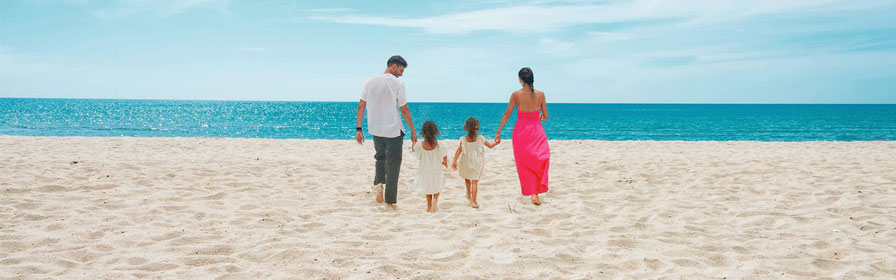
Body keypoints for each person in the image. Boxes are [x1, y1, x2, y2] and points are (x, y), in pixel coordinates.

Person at [355, 55, 418, 211]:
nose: (402, 74)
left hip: (375, 129)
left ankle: (379, 185)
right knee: (393, 164)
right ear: (394, 66)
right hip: (393, 131)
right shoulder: (398, 83)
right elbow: (404, 109)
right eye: (401, 70)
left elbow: (361, 105)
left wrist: (358, 129)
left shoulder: (370, 81)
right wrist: (413, 131)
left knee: (380, 158)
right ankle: (389, 201)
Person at [494, 67, 550, 206]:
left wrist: (498, 131)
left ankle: (533, 192)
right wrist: (539, 117)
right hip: (537, 130)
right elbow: (546, 116)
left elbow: (507, 115)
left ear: (520, 79)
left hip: (521, 132)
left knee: (525, 163)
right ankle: (535, 193)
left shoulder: (515, 95)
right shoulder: (541, 94)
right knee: (540, 159)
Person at [451, 117, 498, 209]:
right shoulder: (480, 138)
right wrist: (496, 142)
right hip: (477, 162)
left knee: (467, 178)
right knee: (475, 181)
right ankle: (473, 201)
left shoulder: (463, 139)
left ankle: (468, 193)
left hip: (465, 161)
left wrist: (454, 160)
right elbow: (490, 146)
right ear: (477, 128)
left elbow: (459, 150)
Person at [411, 121, 448, 213]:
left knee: (427, 187)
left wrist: (413, 144)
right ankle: (435, 200)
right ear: (435, 132)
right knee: (437, 185)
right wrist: (445, 161)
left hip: (425, 170)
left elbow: (417, 155)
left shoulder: (421, 145)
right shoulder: (438, 144)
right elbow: (444, 155)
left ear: (423, 132)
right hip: (436, 169)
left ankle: (429, 206)